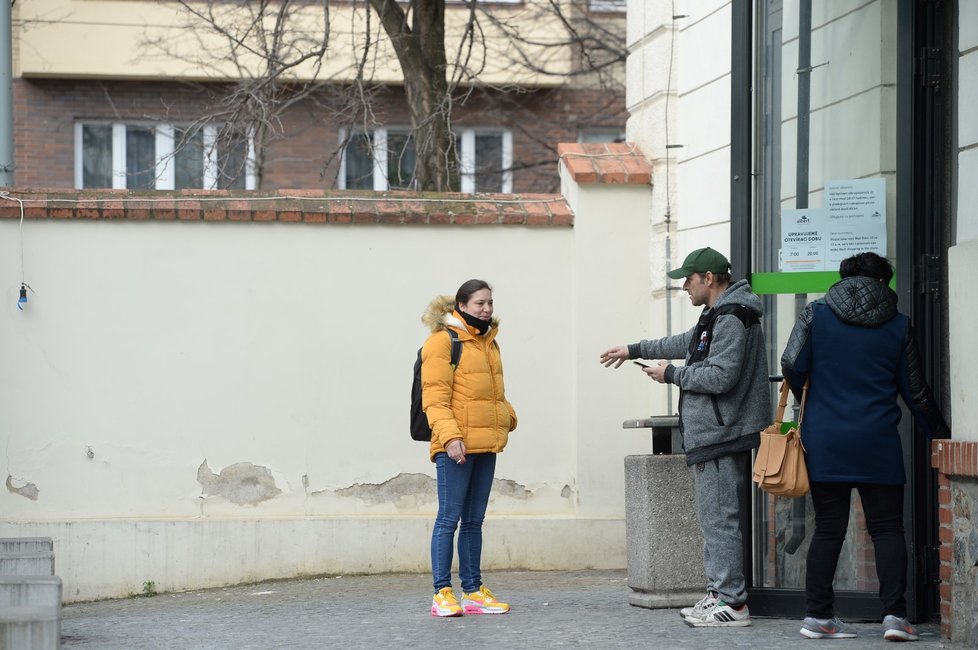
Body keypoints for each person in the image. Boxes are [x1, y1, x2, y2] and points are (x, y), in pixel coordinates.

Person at [781, 252, 950, 642]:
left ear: (843, 280)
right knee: (888, 529)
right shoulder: (899, 325)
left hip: (825, 441)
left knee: (827, 530)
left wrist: (814, 380)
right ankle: (895, 618)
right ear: (883, 283)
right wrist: (940, 437)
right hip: (877, 441)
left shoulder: (816, 315)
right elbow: (916, 392)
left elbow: (792, 363)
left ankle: (818, 617)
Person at [599, 246, 771, 628]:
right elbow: (686, 343)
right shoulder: (718, 315)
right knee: (714, 519)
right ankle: (719, 592)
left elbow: (720, 376)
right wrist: (634, 350)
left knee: (720, 519)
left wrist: (672, 375)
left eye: (688, 281)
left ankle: (732, 603)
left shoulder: (731, 317)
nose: (684, 288)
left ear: (708, 279)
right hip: (716, 431)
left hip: (722, 432)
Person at [421, 279, 518, 618]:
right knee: (449, 518)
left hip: (486, 442)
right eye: (479, 303)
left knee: (474, 520)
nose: (487, 309)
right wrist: (449, 437)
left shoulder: (489, 342)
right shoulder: (442, 342)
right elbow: (433, 398)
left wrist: (506, 417)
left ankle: (473, 591)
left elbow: (494, 392)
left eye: (490, 303)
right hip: (455, 445)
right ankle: (441, 593)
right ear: (461, 305)